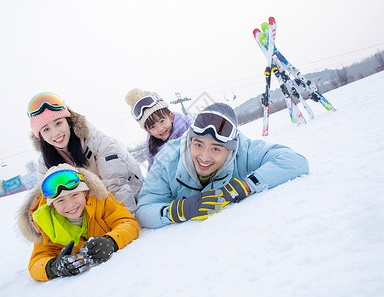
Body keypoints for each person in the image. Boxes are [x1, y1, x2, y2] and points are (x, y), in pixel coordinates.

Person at [135, 102, 309, 229]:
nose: (204, 157)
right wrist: (180, 209)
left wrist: (245, 186)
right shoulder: (166, 160)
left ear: (231, 150)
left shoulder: (243, 148)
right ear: (189, 141)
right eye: (198, 145)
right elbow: (144, 210)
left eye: (216, 148)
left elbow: (294, 161)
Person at [17, 163, 139, 281]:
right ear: (52, 205)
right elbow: (36, 263)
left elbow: (128, 223)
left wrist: (111, 241)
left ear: (85, 192)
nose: (70, 204)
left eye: (74, 195)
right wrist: (54, 267)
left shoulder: (101, 202)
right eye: (60, 201)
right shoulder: (48, 224)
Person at [27, 92, 143, 213]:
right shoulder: (45, 162)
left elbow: (117, 185)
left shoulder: (98, 141)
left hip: (133, 198)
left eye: (58, 123)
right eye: (46, 129)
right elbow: (46, 201)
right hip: (95, 209)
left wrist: (127, 221)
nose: (55, 133)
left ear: (69, 121)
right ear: (40, 136)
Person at [125, 88, 192, 171]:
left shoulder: (190, 129)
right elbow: (154, 177)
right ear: (148, 131)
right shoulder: (154, 150)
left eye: (162, 121)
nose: (160, 129)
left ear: (170, 117)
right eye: (153, 127)